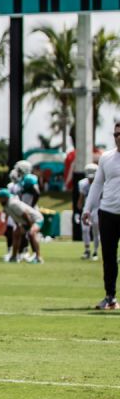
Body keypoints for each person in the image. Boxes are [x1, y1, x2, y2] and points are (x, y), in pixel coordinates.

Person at [83, 125, 120, 310]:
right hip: (107, 213)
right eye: (115, 134)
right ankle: (110, 297)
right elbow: (97, 185)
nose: (118, 137)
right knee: (109, 257)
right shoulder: (106, 157)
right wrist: (87, 209)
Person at [0, 189, 43, 264]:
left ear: (5, 197)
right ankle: (14, 257)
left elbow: (25, 214)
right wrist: (18, 226)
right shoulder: (6, 205)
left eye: (1, 198)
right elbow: (14, 215)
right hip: (25, 221)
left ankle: (38, 257)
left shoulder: (13, 203)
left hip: (35, 219)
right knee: (16, 234)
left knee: (31, 233)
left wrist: (30, 226)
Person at [79, 162, 100, 261]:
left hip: (98, 207)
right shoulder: (83, 183)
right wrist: (79, 208)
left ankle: (95, 251)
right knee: (85, 229)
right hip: (87, 208)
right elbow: (81, 198)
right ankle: (87, 250)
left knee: (96, 231)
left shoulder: (101, 183)